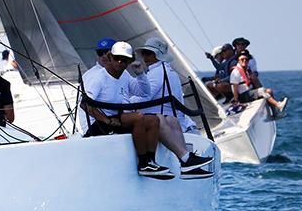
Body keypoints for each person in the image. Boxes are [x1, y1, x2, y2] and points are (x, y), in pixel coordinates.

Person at [80, 41, 171, 179]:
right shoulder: (99, 77)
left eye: (125, 60)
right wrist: (107, 120)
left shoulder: (125, 76)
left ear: (129, 62)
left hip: (118, 120)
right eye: (117, 58)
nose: (120, 62)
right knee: (138, 117)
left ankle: (150, 162)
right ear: (110, 58)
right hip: (99, 124)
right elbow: (84, 104)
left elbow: (145, 93)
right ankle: (143, 163)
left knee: (154, 120)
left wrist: (140, 74)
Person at [131, 37, 213, 179]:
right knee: (171, 120)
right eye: (144, 53)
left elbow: (144, 96)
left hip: (160, 119)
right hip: (177, 120)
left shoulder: (157, 73)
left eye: (148, 53)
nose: (144, 56)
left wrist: (126, 99)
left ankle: (185, 159)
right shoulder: (169, 71)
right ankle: (186, 162)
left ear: (156, 56)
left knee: (161, 119)